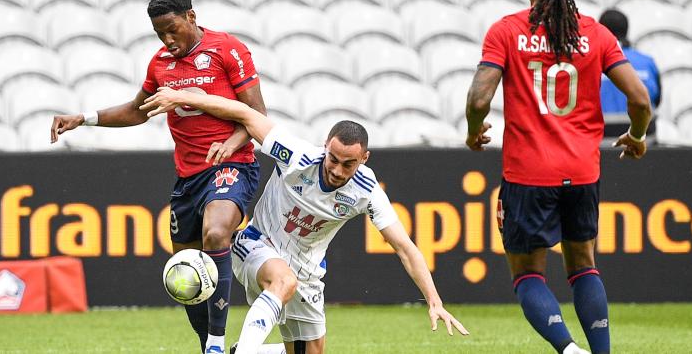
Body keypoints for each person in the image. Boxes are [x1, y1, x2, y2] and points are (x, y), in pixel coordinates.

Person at [140, 87, 469, 354]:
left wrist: (434, 300)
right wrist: (183, 97)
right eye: (333, 159)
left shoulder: (366, 190)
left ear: (364, 158)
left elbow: (405, 247)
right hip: (256, 245)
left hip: (308, 273)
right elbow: (245, 114)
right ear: (326, 146)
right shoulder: (296, 156)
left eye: (348, 164)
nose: (337, 170)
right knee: (283, 281)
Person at [50, 0, 267, 354]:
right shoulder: (160, 64)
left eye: (172, 29)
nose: (167, 39)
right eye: (159, 33)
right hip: (188, 180)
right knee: (186, 268)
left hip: (232, 166)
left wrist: (231, 143)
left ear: (191, 17)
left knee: (216, 234)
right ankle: (208, 346)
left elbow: (257, 114)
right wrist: (84, 118)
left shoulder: (228, 50)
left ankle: (217, 344)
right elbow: (138, 110)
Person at [464, 0, 651, 354]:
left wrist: (474, 131)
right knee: (583, 265)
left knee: (528, 274)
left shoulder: (506, 31)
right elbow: (640, 100)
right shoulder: (596, 34)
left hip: (528, 173)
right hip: (582, 171)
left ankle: (568, 349)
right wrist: (637, 136)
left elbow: (478, 100)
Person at [598, 8, 661, 136]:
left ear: (601, 32)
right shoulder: (647, 63)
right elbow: (656, 101)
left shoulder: (593, 63)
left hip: (601, 139)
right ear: (626, 30)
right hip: (641, 140)